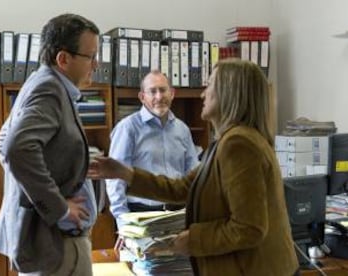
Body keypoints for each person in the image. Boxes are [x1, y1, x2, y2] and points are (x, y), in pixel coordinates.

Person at [89, 59, 299, 275]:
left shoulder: (239, 144)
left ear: (228, 93)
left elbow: (249, 229)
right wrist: (125, 173)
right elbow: (183, 188)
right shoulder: (232, 140)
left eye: (209, 86)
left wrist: (194, 239)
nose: (202, 94)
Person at [0, 14, 100, 276]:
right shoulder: (49, 89)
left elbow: (4, 140)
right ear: (63, 59)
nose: (97, 65)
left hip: (54, 245)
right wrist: (58, 207)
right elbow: (16, 148)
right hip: (57, 248)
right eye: (91, 56)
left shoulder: (41, 83)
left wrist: (72, 163)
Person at [106, 70, 199, 228]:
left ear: (172, 93)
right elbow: (115, 178)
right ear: (142, 97)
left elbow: (193, 173)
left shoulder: (182, 130)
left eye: (163, 90)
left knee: (179, 254)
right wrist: (123, 222)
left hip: (178, 213)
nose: (159, 96)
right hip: (140, 215)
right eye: (152, 91)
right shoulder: (128, 128)